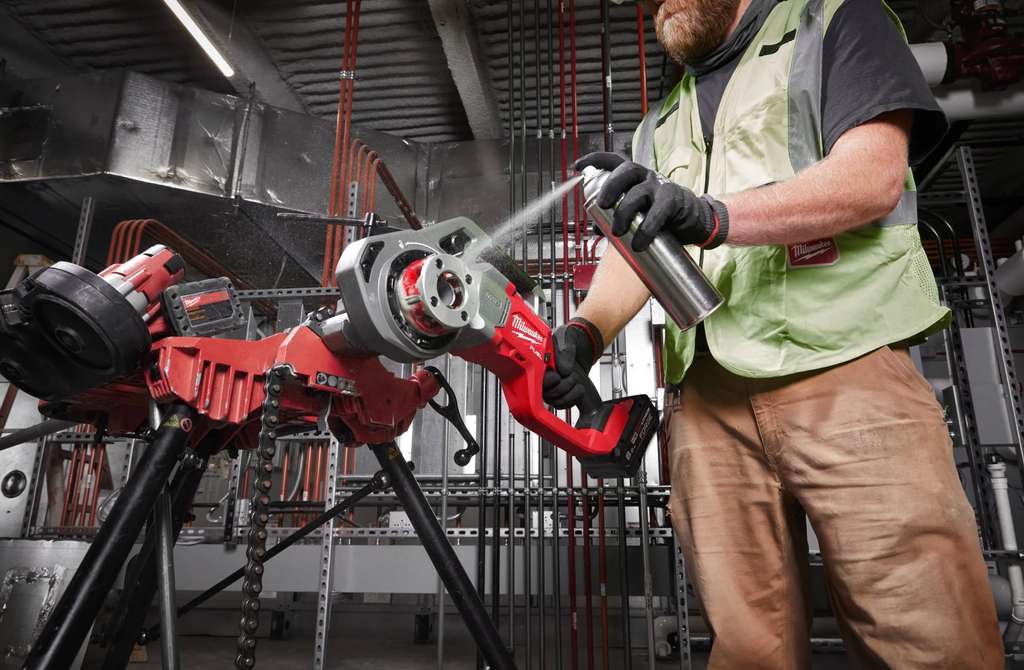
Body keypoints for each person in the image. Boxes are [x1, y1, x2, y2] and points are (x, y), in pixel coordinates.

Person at [543, 0, 1005, 666]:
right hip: (708, 401)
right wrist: (587, 332)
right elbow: (634, 251)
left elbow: (871, 177)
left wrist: (712, 216)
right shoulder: (659, 124)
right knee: (748, 645)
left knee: (921, 630)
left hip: (844, 368)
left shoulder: (832, 21)